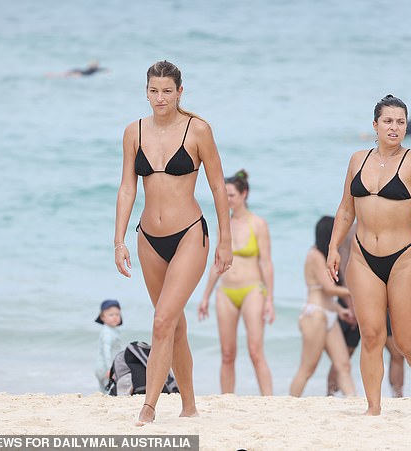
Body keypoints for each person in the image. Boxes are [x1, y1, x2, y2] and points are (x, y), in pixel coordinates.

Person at [114, 60, 232, 425]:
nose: (160, 97)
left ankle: (148, 406)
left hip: (189, 236)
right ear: (145, 91)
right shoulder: (133, 131)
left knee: (162, 320)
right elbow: (127, 187)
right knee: (174, 325)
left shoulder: (198, 130)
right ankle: (190, 406)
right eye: (153, 90)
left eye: (167, 91)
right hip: (148, 239)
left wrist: (225, 241)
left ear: (180, 91)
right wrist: (118, 240)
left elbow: (217, 187)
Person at [327, 94, 411, 415]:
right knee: (371, 335)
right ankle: (373, 408)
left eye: (400, 122)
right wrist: (333, 248)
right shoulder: (357, 160)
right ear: (375, 125)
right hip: (363, 257)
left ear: (406, 126)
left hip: (404, 258)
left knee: (406, 343)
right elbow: (344, 210)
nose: (394, 127)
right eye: (388, 121)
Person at [197, 170, 275, 395]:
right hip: (226, 292)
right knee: (227, 353)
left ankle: (268, 399)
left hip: (253, 290)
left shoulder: (258, 224)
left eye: (231, 195)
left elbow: (266, 263)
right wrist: (205, 297)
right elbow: (216, 263)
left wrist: (269, 299)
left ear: (244, 194)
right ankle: (227, 399)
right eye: (225, 196)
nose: (227, 199)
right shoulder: (224, 225)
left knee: (255, 350)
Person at [326, 225, 406, 398]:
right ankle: (330, 394)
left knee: (397, 352)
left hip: (383, 301)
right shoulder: (350, 231)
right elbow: (345, 267)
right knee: (345, 354)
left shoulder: (387, 229)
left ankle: (398, 395)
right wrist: (351, 303)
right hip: (353, 299)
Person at [289, 216, 357, 398]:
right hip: (314, 316)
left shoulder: (326, 256)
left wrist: (340, 310)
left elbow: (326, 295)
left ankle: (353, 400)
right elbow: (329, 289)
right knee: (307, 369)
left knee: (343, 365)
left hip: (328, 313)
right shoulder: (315, 255)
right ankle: (290, 404)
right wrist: (355, 291)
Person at [94, 299, 123, 392]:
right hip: (105, 367)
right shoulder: (107, 333)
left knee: (103, 390)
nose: (115, 317)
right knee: (109, 388)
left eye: (117, 314)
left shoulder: (112, 331)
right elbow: (106, 351)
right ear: (102, 317)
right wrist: (109, 368)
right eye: (111, 315)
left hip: (101, 367)